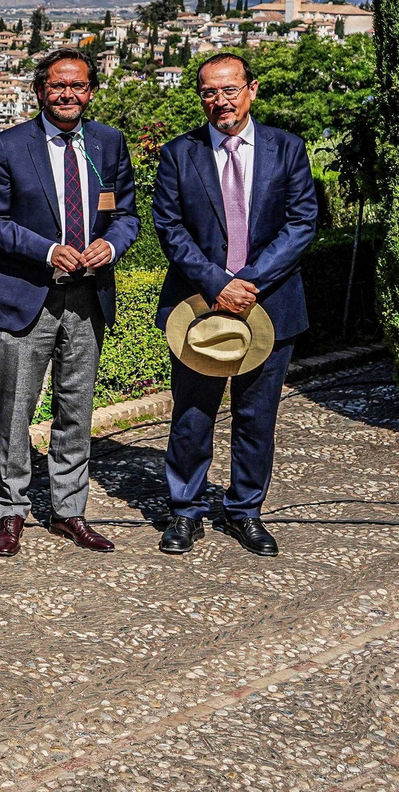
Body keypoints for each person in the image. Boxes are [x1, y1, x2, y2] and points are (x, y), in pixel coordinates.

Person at [0, 48, 139, 558]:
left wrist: (110, 246)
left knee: (77, 408)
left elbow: (127, 214)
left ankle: (70, 510)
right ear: (40, 90)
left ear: (90, 91)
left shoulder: (109, 144)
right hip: (29, 294)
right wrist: (48, 250)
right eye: (57, 86)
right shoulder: (8, 147)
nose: (68, 94)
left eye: (78, 86)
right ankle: (11, 510)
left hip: (89, 294)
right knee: (16, 409)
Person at [152, 53, 317, 557]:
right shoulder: (179, 153)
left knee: (256, 416)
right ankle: (185, 511)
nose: (219, 101)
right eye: (208, 92)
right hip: (198, 307)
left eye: (229, 89)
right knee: (192, 416)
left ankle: (246, 511)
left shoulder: (286, 149)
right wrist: (216, 283)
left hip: (271, 304)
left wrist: (250, 282)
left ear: (252, 90)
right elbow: (170, 228)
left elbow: (302, 222)